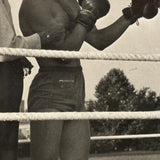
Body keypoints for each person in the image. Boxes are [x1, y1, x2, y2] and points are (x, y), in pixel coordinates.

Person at [19, 0, 159, 160]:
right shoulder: (35, 4)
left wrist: (131, 14)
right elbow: (64, 54)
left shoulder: (69, 3)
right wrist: (87, 15)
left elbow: (99, 40)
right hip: (50, 89)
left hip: (77, 87)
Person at [0, 0, 66, 160]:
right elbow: (7, 47)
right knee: (6, 139)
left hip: (9, 75)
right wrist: (44, 37)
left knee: (7, 137)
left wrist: (19, 56)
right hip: (5, 77)